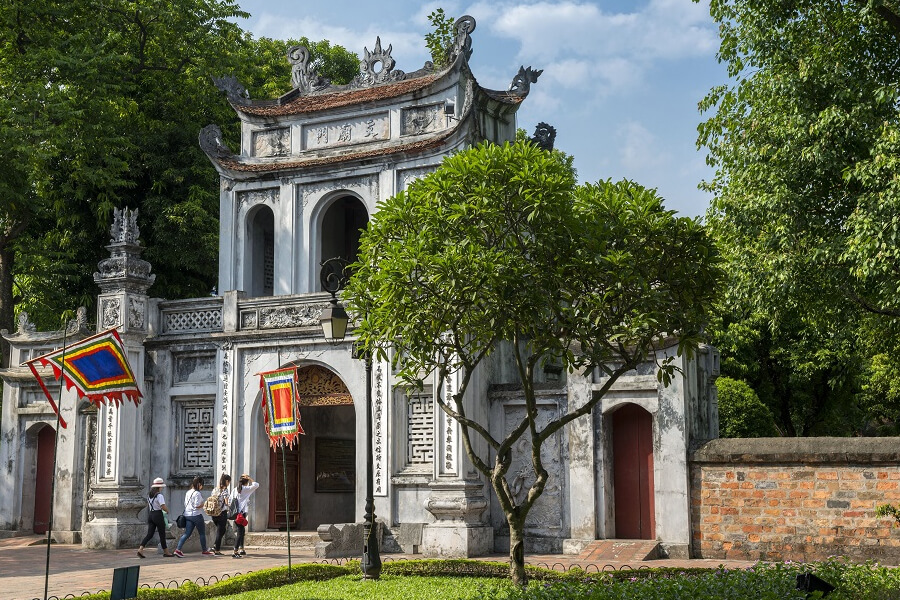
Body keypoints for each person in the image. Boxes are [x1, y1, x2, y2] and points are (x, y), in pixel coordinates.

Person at [173, 476, 213, 557]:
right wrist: (204, 504)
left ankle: (178, 549)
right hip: (196, 515)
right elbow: (197, 505)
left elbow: (185, 504)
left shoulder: (188, 492)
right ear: (199, 484)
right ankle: (204, 550)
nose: (202, 487)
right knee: (202, 533)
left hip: (187, 515)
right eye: (202, 485)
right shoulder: (197, 493)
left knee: (187, 533)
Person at [137, 477, 174, 558]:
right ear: (159, 487)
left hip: (151, 514)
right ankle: (166, 552)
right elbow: (163, 506)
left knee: (149, 534)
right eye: (161, 487)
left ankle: (141, 549)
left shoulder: (149, 496)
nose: (162, 488)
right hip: (158, 515)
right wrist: (167, 511)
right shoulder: (159, 496)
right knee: (162, 534)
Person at [230, 473, 259, 558]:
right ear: (246, 482)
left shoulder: (235, 489)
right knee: (240, 532)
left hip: (235, 514)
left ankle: (241, 548)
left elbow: (230, 501)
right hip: (241, 514)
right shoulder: (245, 489)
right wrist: (250, 478)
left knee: (241, 531)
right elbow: (256, 485)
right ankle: (235, 551)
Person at [210, 473, 232, 555]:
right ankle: (217, 549)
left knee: (222, 530)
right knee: (220, 531)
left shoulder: (215, 489)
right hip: (221, 513)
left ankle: (216, 546)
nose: (229, 484)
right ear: (226, 481)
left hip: (213, 513)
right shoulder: (225, 490)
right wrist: (230, 505)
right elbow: (226, 502)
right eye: (229, 482)